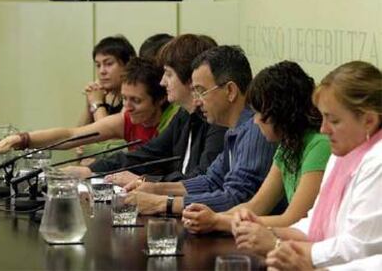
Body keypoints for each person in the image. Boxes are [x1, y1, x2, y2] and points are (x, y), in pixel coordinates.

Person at [232, 61, 382, 269]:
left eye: (334, 121)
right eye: (323, 118)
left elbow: (357, 247)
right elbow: (313, 223)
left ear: (369, 121)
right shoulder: (342, 156)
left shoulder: (378, 162)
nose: (323, 129)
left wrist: (277, 245)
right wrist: (267, 231)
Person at [123, 45, 277, 215]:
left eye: (201, 92)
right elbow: (212, 181)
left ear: (230, 91)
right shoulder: (235, 129)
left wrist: (161, 203)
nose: (196, 101)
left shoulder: (256, 130)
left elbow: (236, 198)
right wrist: (155, 188)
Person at [181, 61, 331, 234]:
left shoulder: (319, 145)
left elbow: (293, 219)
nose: (255, 120)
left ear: (282, 112)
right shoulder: (288, 145)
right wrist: (211, 218)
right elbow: (256, 205)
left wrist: (218, 222)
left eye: (261, 112)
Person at [0, 57, 171, 169]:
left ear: (160, 99)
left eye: (136, 100)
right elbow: (70, 136)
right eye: (125, 98)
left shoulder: (172, 123)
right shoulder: (127, 119)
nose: (127, 107)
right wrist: (16, 140)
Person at [83, 34, 226, 184]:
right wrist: (91, 170)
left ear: (191, 79)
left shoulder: (217, 121)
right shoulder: (184, 116)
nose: (162, 82)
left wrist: (144, 181)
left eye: (169, 74)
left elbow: (203, 181)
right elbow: (148, 154)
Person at [76, 35, 136, 164]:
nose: (102, 71)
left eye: (108, 64)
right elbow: (78, 143)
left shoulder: (133, 97)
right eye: (98, 65)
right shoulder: (106, 95)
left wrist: (97, 104)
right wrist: (89, 103)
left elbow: (110, 140)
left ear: (128, 64)